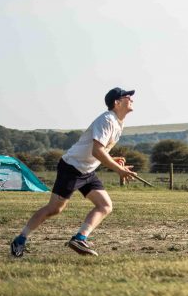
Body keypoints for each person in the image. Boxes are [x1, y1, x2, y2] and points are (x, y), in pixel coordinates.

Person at [10, 88, 138, 257]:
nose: (131, 99)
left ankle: (79, 238)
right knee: (55, 208)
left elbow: (98, 149)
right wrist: (118, 169)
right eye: (127, 96)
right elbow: (97, 151)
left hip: (87, 170)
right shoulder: (107, 120)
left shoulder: (118, 123)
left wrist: (113, 160)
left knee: (105, 205)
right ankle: (20, 239)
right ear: (117, 102)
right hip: (72, 167)